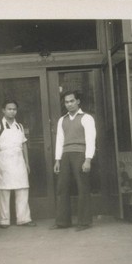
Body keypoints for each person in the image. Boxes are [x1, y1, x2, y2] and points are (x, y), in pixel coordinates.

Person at [51, 90, 96, 231]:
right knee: (62, 187)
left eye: (71, 101)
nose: (69, 104)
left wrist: (88, 159)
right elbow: (59, 141)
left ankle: (84, 222)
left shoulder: (86, 118)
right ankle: (62, 222)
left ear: (78, 101)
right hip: (65, 155)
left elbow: (90, 139)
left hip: (80, 154)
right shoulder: (62, 120)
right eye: (66, 102)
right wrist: (57, 160)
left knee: (82, 186)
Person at [0, 100, 36, 229]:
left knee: (22, 189)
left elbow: (24, 144)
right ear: (3, 110)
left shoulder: (19, 126)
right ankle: (4, 220)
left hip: (19, 160)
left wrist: (27, 162)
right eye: (9, 109)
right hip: (4, 159)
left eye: (14, 109)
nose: (12, 111)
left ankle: (24, 218)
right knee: (4, 190)